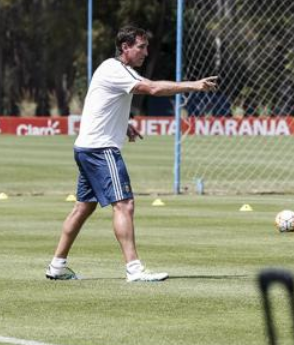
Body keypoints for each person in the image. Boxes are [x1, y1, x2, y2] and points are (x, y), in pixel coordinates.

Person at [45, 26, 218, 282]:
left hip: (87, 147)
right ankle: (134, 270)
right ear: (125, 47)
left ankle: (56, 267)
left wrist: (124, 124)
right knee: (125, 204)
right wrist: (193, 85)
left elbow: (101, 104)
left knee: (83, 208)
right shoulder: (116, 70)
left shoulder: (113, 69)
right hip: (100, 150)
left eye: (146, 47)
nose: (146, 52)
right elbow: (153, 89)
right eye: (141, 47)